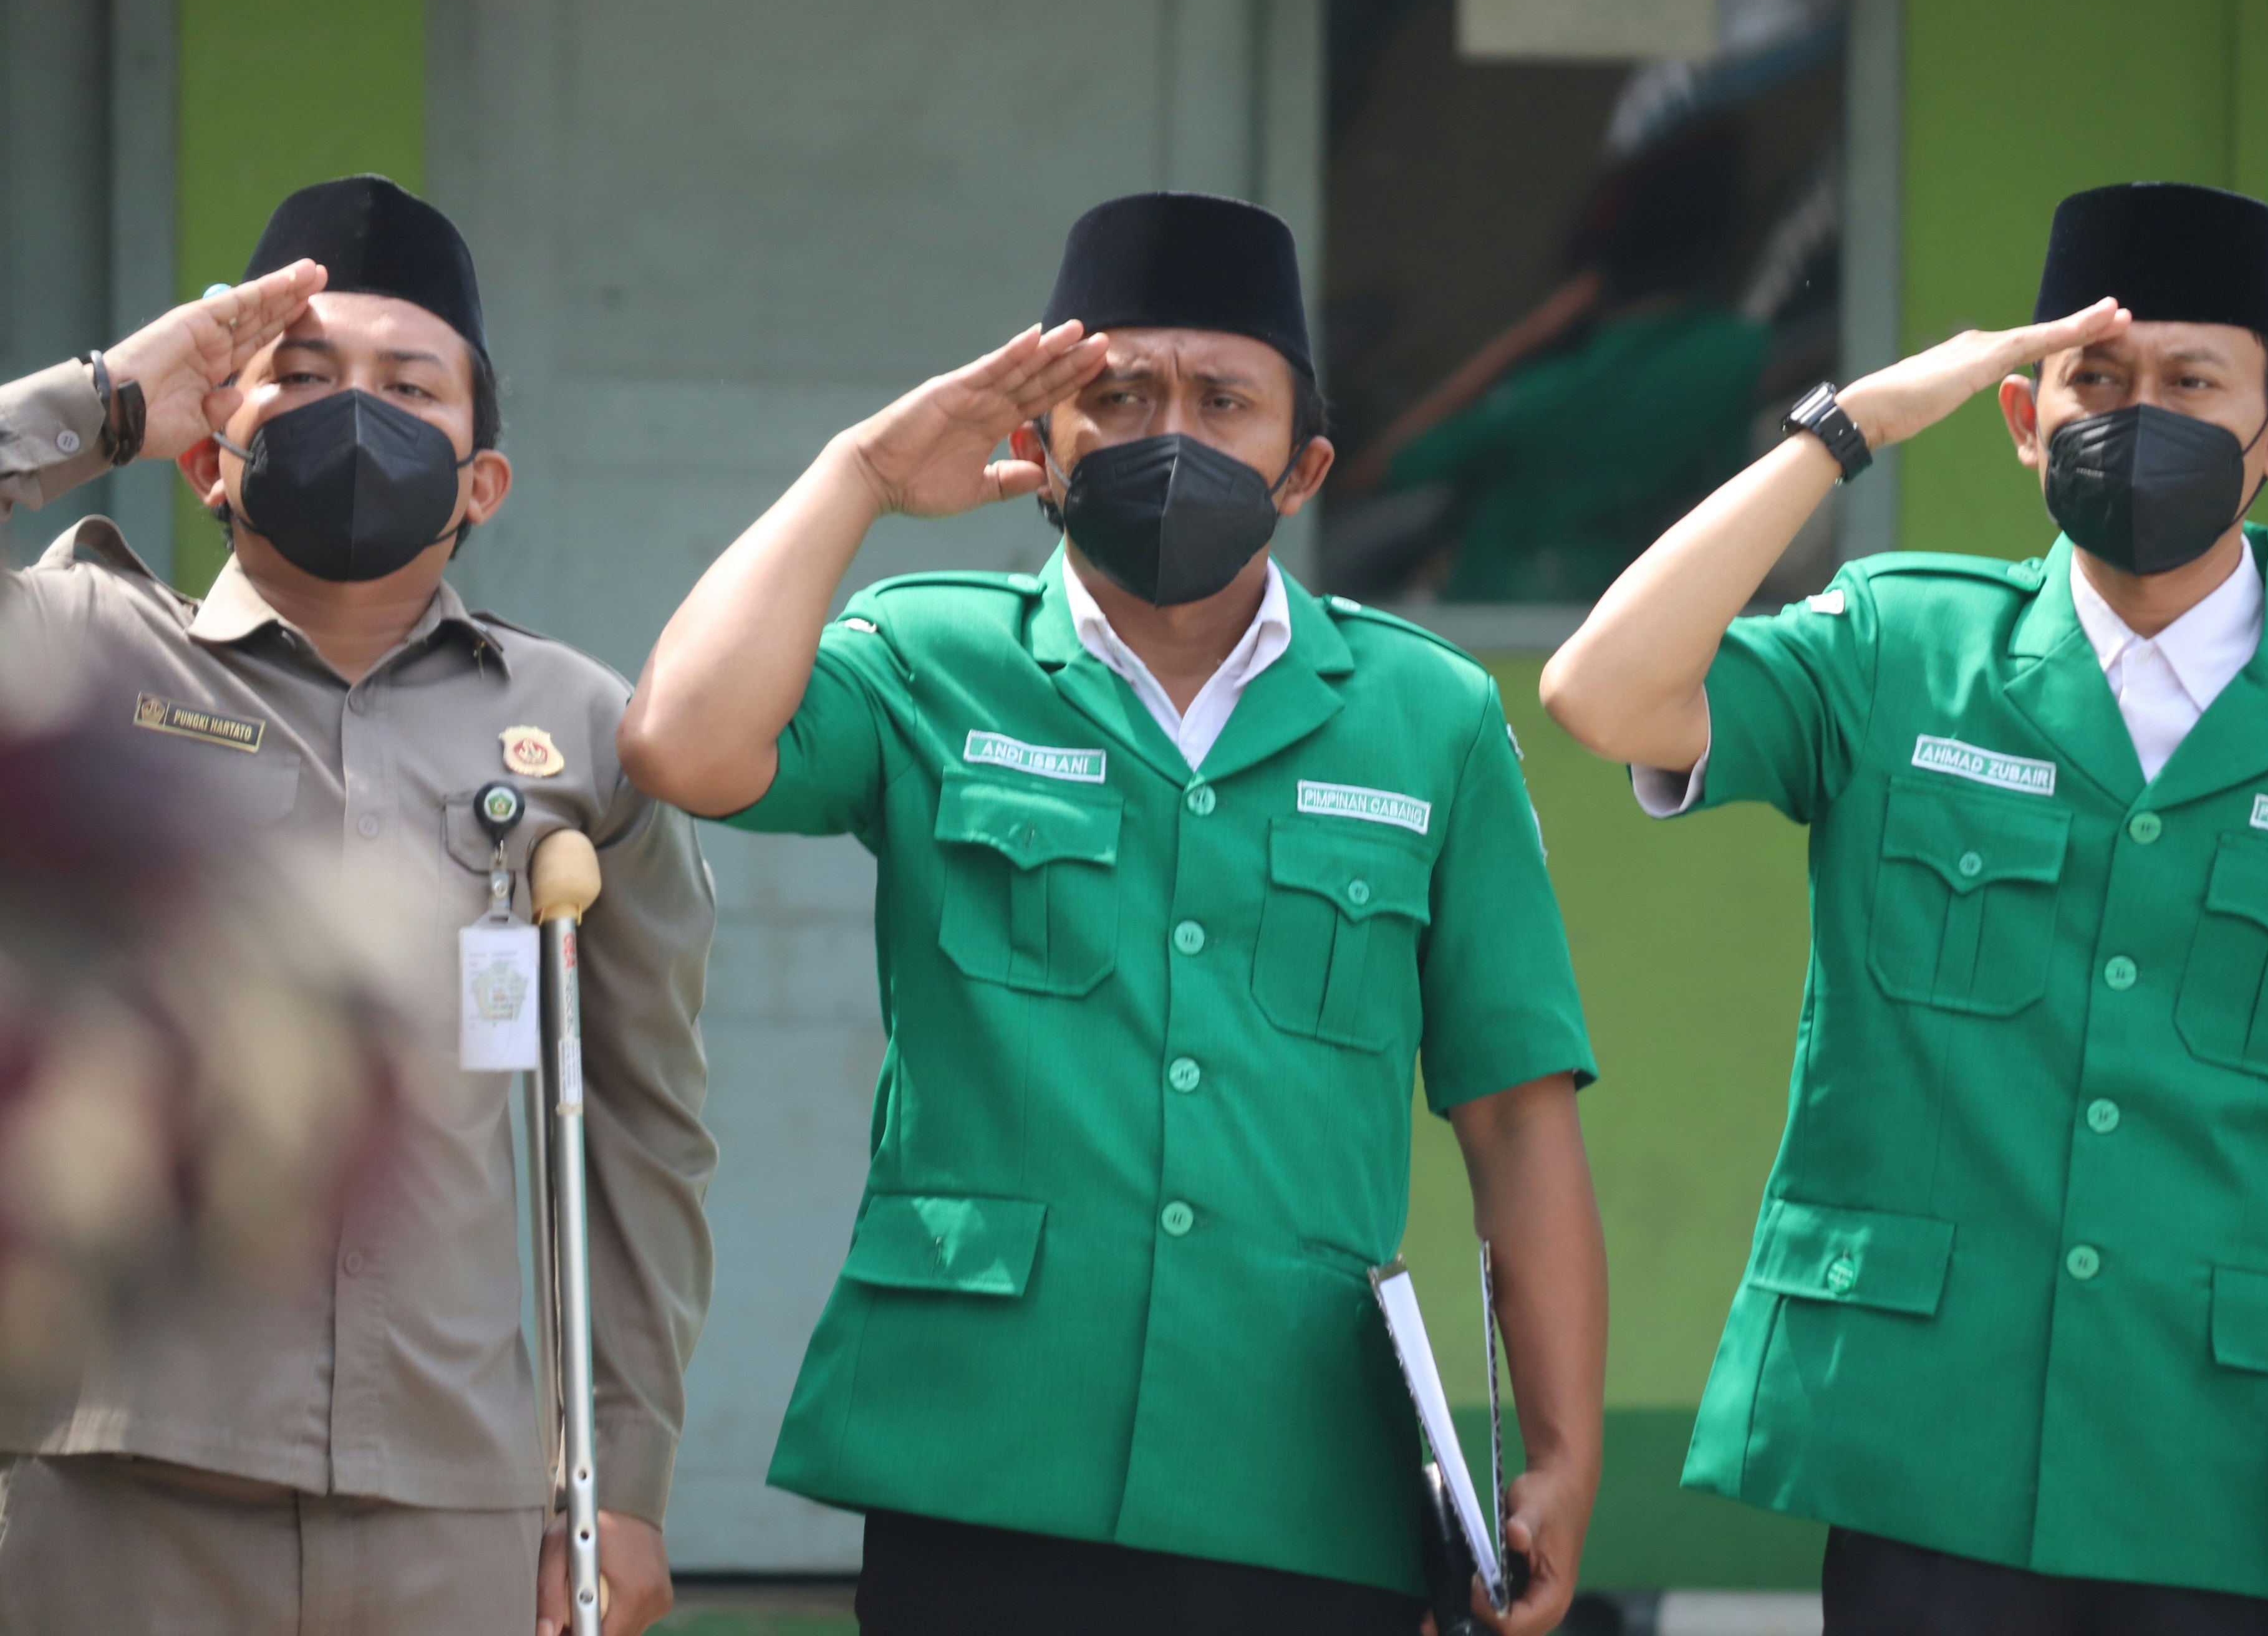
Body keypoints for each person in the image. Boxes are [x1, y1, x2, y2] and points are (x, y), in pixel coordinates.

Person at [619, 191, 1606, 1636]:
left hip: (1298, 1467)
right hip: (981, 1448)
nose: (1170, 436)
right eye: (1119, 394)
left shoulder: (1426, 716)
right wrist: (860, 474)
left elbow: (1516, 1112)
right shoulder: (927, 657)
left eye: (1224, 400)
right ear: (1041, 444)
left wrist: (1567, 1444)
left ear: (1303, 462)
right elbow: (682, 746)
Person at [1539, 181, 2268, 1631]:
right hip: (1932, 1460)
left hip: (2224, 1486)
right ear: (2024, 419)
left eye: (2190, 382)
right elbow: (1603, 694)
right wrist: (1850, 425)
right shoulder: (1897, 646)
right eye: (2094, 378)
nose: (2136, 414)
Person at [0, 175, 717, 1636]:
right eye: (301, 375)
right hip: (109, 1463)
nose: (354, 413)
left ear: (479, 482)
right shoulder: (68, 642)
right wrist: (101, 404)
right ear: (211, 450)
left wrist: (620, 1480)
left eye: (410, 386)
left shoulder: (583, 729)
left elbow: (642, 1126)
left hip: (455, 1499)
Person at [1332, 121, 1770, 603]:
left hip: (1496, 613)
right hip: (1643, 613)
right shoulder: (1736, 354)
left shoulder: (1555, 389)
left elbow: (1369, 473)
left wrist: (1528, 336)